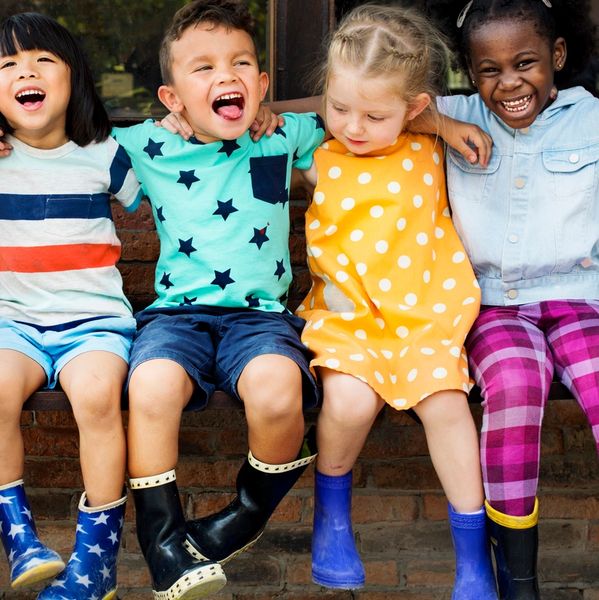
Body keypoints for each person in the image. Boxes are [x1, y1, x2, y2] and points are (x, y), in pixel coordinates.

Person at [266, 4, 496, 597]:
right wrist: (277, 114)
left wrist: (439, 127)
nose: (354, 126)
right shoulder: (320, 155)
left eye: (374, 114)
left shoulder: (428, 148)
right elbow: (275, 118)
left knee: (447, 406)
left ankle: (473, 560)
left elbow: (437, 119)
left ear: (414, 110)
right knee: (347, 401)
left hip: (424, 318)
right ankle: (332, 519)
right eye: (339, 108)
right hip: (348, 321)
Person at [110, 1, 323, 598]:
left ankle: (242, 517)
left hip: (260, 321)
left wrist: (276, 109)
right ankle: (163, 546)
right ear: (171, 97)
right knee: (149, 388)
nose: (224, 76)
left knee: (279, 395)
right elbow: (60, 132)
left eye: (240, 65)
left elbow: (359, 104)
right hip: (177, 317)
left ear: (260, 84)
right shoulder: (146, 143)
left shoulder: (281, 134)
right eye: (201, 69)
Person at [424, 1, 599, 597]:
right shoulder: (453, 114)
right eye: (489, 69)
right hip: (494, 305)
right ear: (471, 74)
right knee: (516, 385)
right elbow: (365, 103)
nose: (509, 82)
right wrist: (443, 127)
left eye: (525, 62)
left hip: (581, 300)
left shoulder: (592, 119)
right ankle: (517, 579)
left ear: (557, 56)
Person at [0, 12, 141, 599]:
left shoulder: (105, 154)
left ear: (74, 77)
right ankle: (20, 537)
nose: (24, 71)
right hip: (13, 323)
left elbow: (167, 176)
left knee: (96, 397)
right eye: (7, 64)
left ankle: (95, 564)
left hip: (95, 324)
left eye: (42, 60)